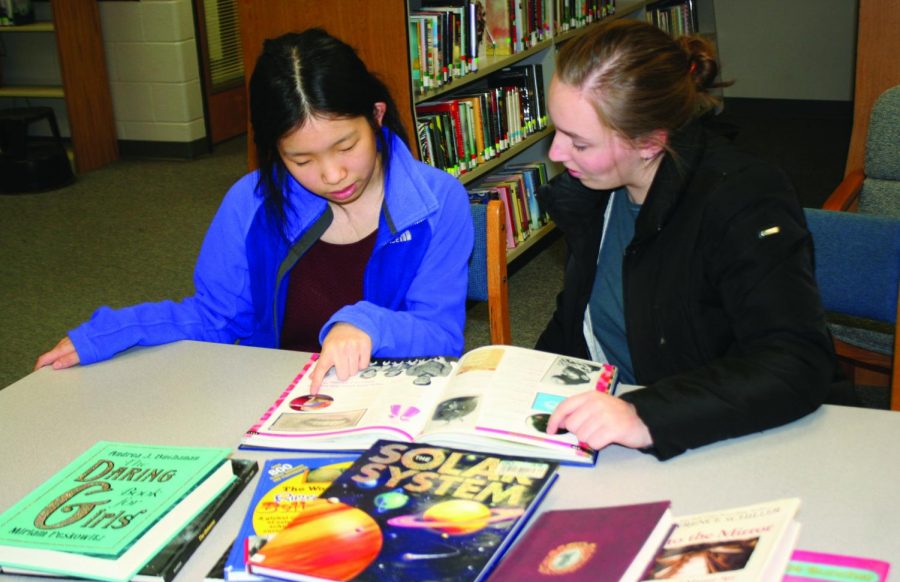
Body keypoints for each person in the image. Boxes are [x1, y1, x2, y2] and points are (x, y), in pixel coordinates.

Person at [34, 28, 473, 391]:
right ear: (274, 152)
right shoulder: (251, 202)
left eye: (346, 146)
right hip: (277, 399)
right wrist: (114, 332)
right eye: (301, 161)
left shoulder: (437, 202)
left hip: (390, 402)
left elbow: (440, 333)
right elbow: (217, 317)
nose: (333, 174)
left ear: (376, 117)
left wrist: (366, 325)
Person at [540, 19, 836, 459]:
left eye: (579, 143)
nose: (556, 155)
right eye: (556, 130)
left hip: (704, 433)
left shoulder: (742, 196)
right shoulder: (595, 191)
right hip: (610, 414)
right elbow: (579, 318)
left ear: (650, 142)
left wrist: (645, 414)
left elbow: (795, 362)